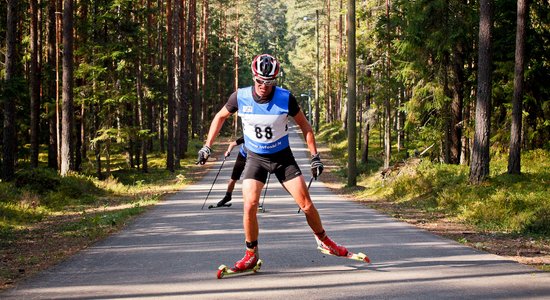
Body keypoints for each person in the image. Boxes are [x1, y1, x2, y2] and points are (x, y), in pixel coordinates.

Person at [198, 54, 349, 272]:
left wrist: (315, 156)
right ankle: (251, 254)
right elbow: (219, 117)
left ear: (275, 80)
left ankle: (324, 240)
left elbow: (306, 127)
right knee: (249, 205)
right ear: (253, 77)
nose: (263, 86)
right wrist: (207, 146)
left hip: (282, 158)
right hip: (255, 158)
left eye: (269, 83)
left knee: (305, 204)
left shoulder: (285, 98)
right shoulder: (239, 97)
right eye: (259, 81)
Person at [214, 136, 247, 207]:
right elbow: (232, 144)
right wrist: (228, 151)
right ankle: (227, 196)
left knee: (251, 180)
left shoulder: (260, 138)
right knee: (233, 178)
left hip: (254, 158)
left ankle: (254, 200)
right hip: (242, 156)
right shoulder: (246, 136)